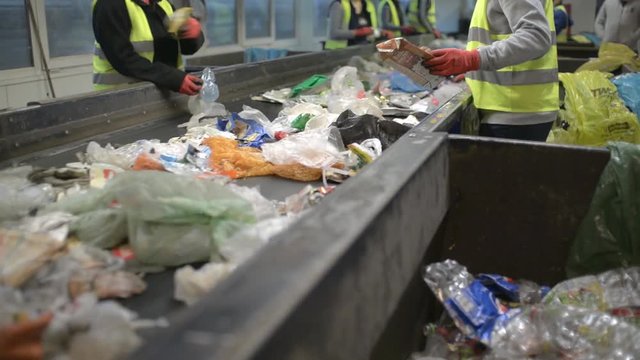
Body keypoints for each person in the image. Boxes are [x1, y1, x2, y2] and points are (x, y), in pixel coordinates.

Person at [423, 0, 559, 142]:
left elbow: (536, 37)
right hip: (510, 106)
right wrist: (475, 70)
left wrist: (472, 59)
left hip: (514, 111)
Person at [92, 0, 205, 95]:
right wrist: (172, 78)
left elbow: (185, 48)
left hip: (162, 99)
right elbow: (122, 58)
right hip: (120, 101)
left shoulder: (163, 4)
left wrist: (193, 33)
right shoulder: (110, 5)